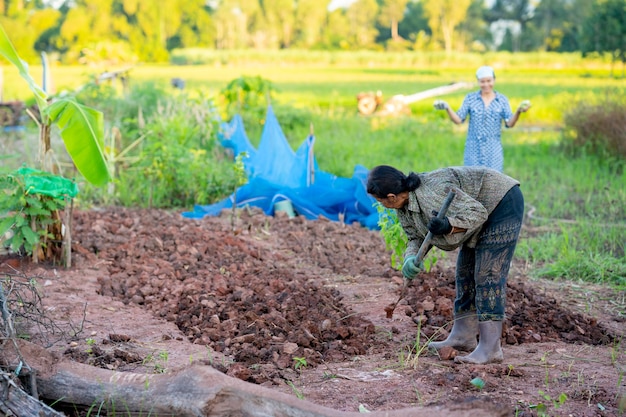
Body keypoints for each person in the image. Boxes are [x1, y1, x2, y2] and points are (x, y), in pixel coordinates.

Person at [366, 164, 524, 364]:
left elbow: (478, 212)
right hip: (477, 216)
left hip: (500, 204)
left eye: (380, 201)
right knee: (465, 273)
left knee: (488, 274)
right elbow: (414, 237)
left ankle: (490, 349)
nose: (381, 204)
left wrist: (448, 225)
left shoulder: (432, 193)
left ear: (391, 197)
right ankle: (462, 337)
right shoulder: (403, 206)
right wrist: (410, 258)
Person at [433, 65, 531, 172]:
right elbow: (458, 119)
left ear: (494, 80)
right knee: (472, 181)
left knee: (493, 182)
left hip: (493, 150)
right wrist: (447, 107)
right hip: (473, 149)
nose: (486, 84)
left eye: (489, 81)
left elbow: (510, 123)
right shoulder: (470, 98)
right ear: (478, 82)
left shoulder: (502, 100)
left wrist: (518, 111)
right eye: (482, 81)